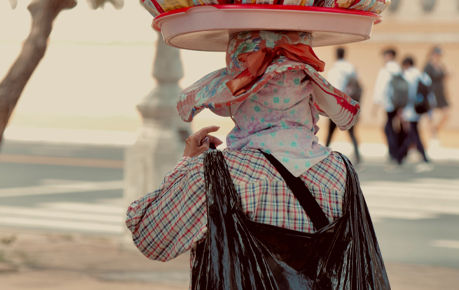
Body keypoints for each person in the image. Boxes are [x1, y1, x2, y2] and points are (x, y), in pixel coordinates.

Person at [126, 31, 390, 288]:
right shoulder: (341, 173)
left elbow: (150, 238)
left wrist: (187, 164)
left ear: (240, 101)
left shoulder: (213, 175)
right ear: (308, 100)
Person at [325, 47, 362, 164]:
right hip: (348, 105)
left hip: (336, 104)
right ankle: (358, 156)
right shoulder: (351, 68)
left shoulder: (334, 69)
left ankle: (324, 154)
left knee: (330, 132)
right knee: (351, 132)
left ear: (336, 55)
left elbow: (331, 89)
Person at [397, 56, 432, 166]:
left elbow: (404, 93)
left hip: (409, 108)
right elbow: (429, 92)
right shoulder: (422, 75)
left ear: (406, 64)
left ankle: (400, 157)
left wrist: (401, 109)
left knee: (413, 133)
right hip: (420, 108)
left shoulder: (406, 75)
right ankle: (402, 156)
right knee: (413, 132)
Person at [372, 48, 404, 164]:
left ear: (389, 55)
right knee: (393, 128)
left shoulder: (386, 70)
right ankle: (397, 153)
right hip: (399, 103)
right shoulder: (398, 68)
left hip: (390, 104)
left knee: (388, 129)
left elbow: (381, 88)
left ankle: (394, 154)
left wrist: (375, 106)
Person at [423, 46, 450, 143]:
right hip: (431, 93)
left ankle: (435, 129)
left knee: (446, 114)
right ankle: (432, 136)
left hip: (440, 93)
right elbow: (425, 80)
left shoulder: (440, 65)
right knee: (431, 116)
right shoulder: (428, 66)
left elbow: (444, 77)